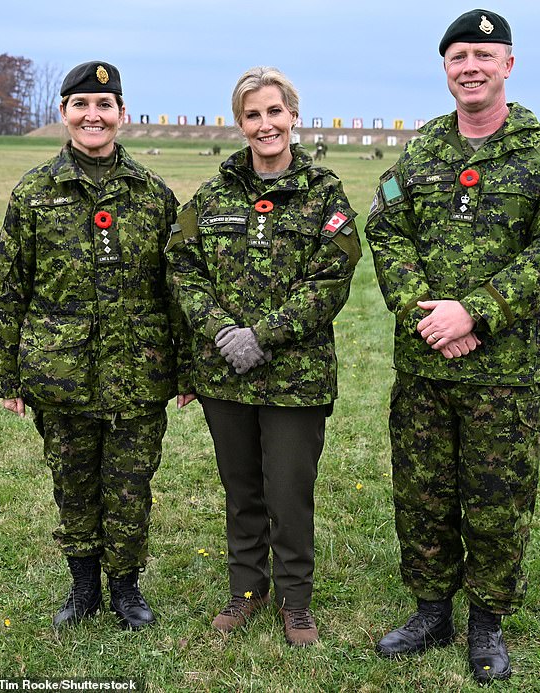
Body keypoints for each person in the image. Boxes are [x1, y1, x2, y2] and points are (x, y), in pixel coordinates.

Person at [364, 9, 540, 683]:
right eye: (459, 56)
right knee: (422, 491)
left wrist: (476, 313)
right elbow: (385, 230)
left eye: (484, 56)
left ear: (509, 66)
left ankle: (486, 621)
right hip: (425, 365)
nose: (471, 66)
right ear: (445, 68)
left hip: (505, 370)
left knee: (498, 496)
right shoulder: (424, 149)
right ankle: (430, 610)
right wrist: (424, 315)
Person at [0, 61, 194, 630]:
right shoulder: (35, 193)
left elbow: (176, 288)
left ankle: (126, 588)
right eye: (81, 105)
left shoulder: (154, 195)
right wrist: (6, 375)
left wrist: (186, 370)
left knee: (129, 486)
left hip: (138, 370)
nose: (93, 116)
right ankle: (83, 588)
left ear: (122, 115)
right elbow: (9, 286)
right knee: (73, 482)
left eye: (104, 106)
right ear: (64, 114)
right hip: (60, 370)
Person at [166, 66, 361, 647]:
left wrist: (265, 335)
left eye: (275, 112)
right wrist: (224, 331)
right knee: (242, 489)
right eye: (253, 115)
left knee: (288, 491)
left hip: (295, 378)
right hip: (226, 375)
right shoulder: (213, 194)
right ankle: (246, 591)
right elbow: (181, 265)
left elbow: (332, 277)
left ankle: (296, 602)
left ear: (293, 117)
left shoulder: (325, 192)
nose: (265, 124)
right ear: (240, 123)